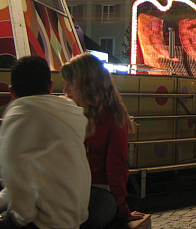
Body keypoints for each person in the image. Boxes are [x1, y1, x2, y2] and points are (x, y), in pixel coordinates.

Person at [0, 56, 91, 229]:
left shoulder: (18, 119)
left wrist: (19, 217)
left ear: (11, 91)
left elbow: (16, 180)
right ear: (50, 86)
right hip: (73, 219)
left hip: (40, 222)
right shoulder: (70, 116)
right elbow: (23, 183)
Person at [61, 53, 144, 227]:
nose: (65, 89)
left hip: (93, 192)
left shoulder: (111, 117)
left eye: (71, 84)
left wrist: (122, 209)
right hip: (74, 192)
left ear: (88, 85)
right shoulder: (111, 115)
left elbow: (116, 167)